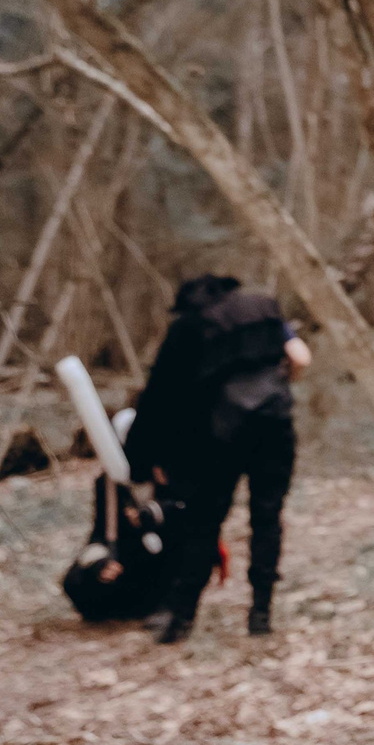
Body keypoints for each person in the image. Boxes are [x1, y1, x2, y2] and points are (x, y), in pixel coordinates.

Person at [127, 274, 311, 645]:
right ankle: (261, 614)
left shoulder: (189, 327)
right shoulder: (263, 306)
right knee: (267, 516)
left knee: (204, 523)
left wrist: (145, 458)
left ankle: (180, 620)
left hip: (216, 439)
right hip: (274, 425)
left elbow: (160, 397)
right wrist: (277, 387)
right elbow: (300, 357)